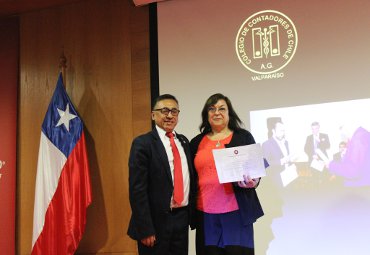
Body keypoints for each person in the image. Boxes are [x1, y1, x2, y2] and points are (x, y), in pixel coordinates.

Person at [190, 93, 263, 255]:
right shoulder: (195, 142)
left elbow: (255, 172)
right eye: (212, 109)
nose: (217, 112)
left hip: (236, 214)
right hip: (205, 216)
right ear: (206, 114)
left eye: (222, 108)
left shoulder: (243, 137)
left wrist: (254, 182)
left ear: (229, 113)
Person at [127, 94, 196, 255]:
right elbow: (137, 190)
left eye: (174, 111)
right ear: (153, 114)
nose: (170, 115)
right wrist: (145, 228)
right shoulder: (143, 143)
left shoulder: (184, 142)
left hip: (181, 218)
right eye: (164, 111)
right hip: (154, 223)